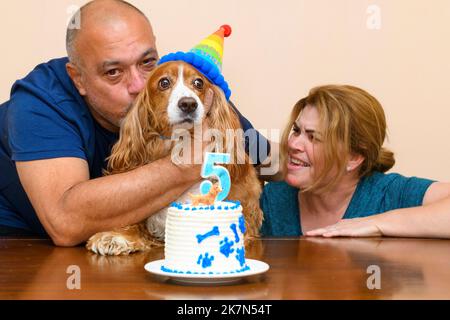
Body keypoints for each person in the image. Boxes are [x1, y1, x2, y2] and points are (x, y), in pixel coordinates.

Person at [0, 0, 270, 244]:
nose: (141, 86)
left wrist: (308, 172)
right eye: (114, 72)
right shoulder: (42, 102)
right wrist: (188, 164)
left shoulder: (188, 101)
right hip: (22, 242)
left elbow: (272, 159)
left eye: (147, 62)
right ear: (78, 79)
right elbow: (66, 223)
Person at [260, 84, 450, 239]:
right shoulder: (272, 200)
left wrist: (376, 223)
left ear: (353, 158)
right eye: (296, 130)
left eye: (313, 137)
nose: (293, 143)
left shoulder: (388, 194)